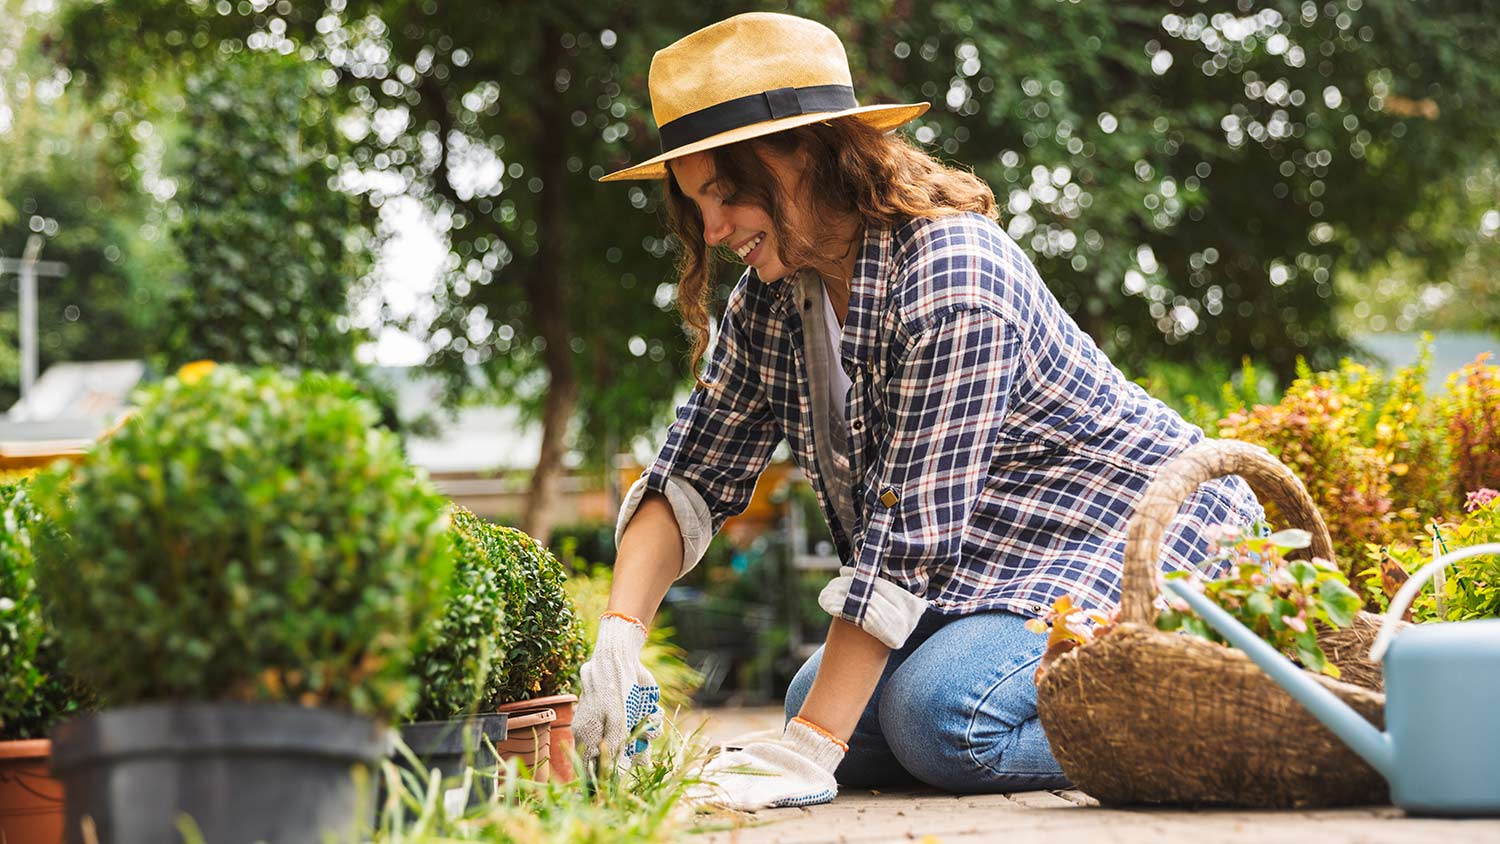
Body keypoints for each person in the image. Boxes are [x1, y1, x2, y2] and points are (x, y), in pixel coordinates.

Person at [573, 12, 1261, 810]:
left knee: (941, 717)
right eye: (697, 206)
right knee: (819, 705)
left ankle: (1213, 716)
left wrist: (805, 757)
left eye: (727, 195)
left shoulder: (952, 277)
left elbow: (910, 537)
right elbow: (692, 472)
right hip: (989, 575)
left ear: (811, 154)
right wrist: (619, 641)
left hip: (1135, 538)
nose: (715, 230)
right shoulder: (770, 302)